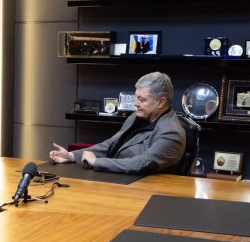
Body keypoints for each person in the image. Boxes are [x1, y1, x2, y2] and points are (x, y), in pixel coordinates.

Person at [48, 71, 186, 174]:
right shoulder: (137, 116)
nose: (135, 103)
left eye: (142, 100)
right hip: (118, 178)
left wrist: (96, 162)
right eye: (136, 97)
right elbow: (110, 145)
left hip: (143, 190)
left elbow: (142, 163)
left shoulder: (171, 132)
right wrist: (72, 156)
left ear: (161, 102)